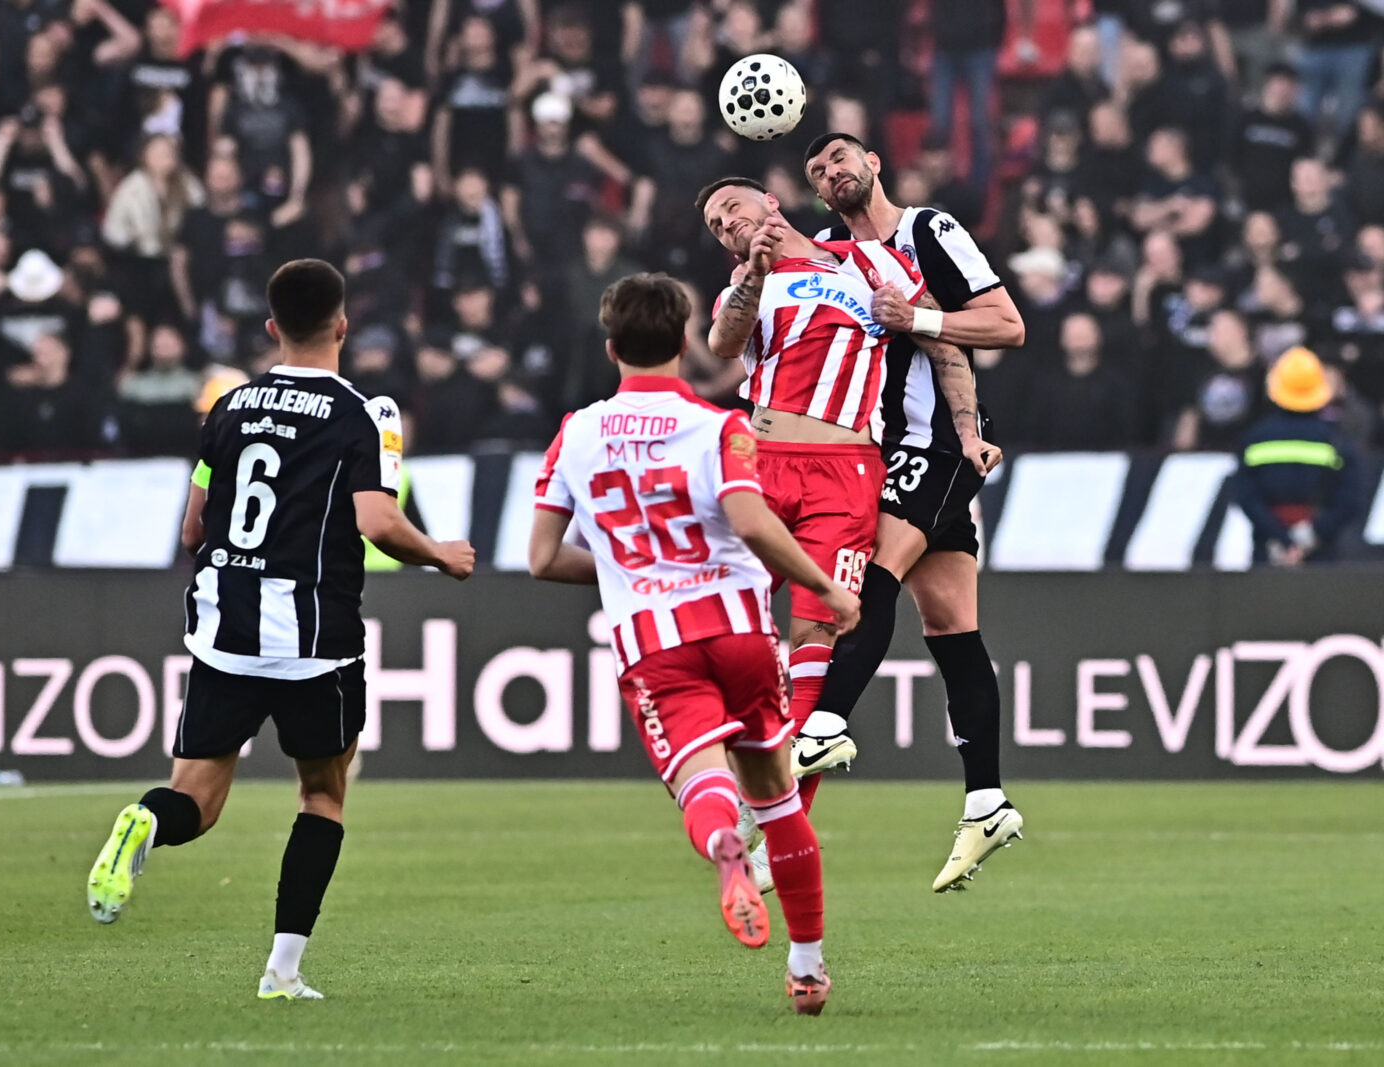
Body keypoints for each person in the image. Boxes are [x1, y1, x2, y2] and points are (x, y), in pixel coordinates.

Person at [84, 259, 476, 1001]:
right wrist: (439, 554)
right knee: (322, 795)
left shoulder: (228, 408)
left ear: (271, 328)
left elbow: (193, 527)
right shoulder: (364, 412)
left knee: (192, 803)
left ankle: (142, 819)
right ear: (343, 324)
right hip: (313, 634)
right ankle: (282, 971)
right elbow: (377, 523)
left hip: (223, 625)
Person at [528, 272, 858, 1014]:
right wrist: (828, 587)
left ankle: (722, 850)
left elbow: (544, 557)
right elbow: (748, 518)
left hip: (653, 641)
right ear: (684, 340)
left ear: (611, 346)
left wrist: (627, 568)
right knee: (777, 798)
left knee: (701, 785)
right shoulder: (719, 425)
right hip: (739, 629)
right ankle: (806, 967)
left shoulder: (576, 431)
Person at [696, 175, 991, 887]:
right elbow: (721, 340)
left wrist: (969, 430)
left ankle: (780, 818)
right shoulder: (749, 282)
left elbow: (942, 343)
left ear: (771, 201)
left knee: (819, 638)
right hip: (761, 461)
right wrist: (754, 275)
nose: (725, 225)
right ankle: (735, 773)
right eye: (713, 224)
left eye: (732, 208)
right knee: (730, 626)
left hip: (848, 465)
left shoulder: (871, 264)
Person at [802, 132, 1023, 892]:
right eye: (817, 171)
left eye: (840, 158)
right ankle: (987, 800)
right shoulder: (829, 255)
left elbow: (1004, 325)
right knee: (952, 626)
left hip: (934, 445)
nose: (832, 173)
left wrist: (922, 328)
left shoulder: (930, 230)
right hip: (879, 449)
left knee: (871, 574)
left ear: (874, 164)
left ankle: (825, 721)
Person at [1233, 346, 1365, 566]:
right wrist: (1309, 535)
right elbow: (1349, 501)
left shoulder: (1256, 439)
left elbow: (1246, 496)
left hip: (1269, 550)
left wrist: (1280, 539)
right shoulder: (1335, 441)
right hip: (1321, 554)